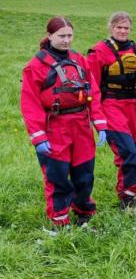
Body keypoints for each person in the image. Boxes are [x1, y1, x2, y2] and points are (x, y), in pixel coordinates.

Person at [20, 16, 107, 229]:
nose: (66, 40)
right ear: (50, 36)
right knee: (57, 176)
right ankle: (59, 219)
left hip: (81, 125)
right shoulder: (36, 65)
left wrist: (100, 123)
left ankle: (84, 212)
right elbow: (29, 103)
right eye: (61, 36)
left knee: (84, 173)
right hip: (54, 127)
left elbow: (93, 91)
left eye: (70, 35)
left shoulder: (79, 59)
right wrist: (38, 136)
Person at [87, 11, 136, 210]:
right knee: (127, 151)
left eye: (126, 27)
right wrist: (93, 114)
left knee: (132, 154)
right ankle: (130, 194)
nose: (122, 31)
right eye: (119, 27)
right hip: (111, 105)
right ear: (111, 28)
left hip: (134, 107)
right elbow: (91, 85)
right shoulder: (99, 51)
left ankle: (125, 195)